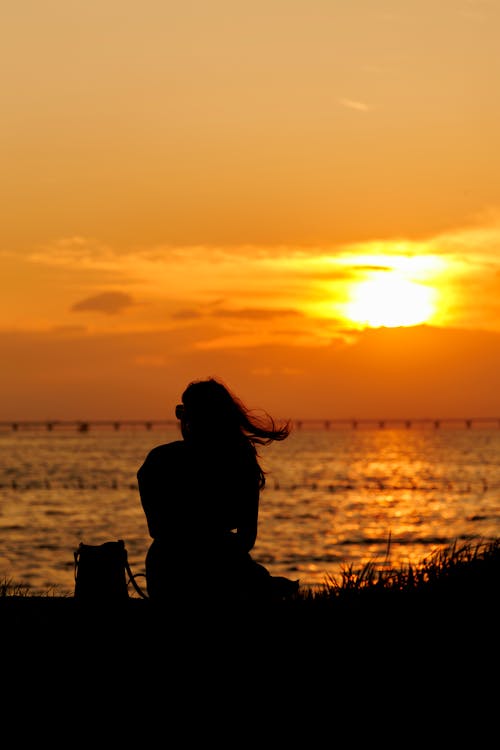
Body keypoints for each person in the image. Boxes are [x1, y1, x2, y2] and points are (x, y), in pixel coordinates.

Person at [137, 376, 299, 604]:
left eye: (184, 412)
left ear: (194, 419)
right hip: (220, 567)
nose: (181, 419)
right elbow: (246, 538)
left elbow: (157, 529)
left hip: (167, 572)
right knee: (261, 582)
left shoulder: (159, 460)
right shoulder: (241, 461)